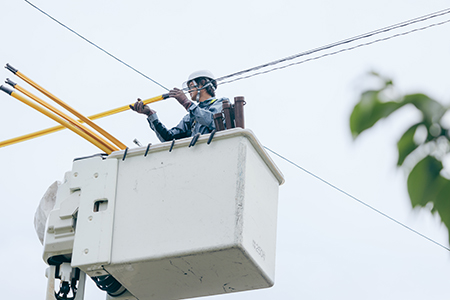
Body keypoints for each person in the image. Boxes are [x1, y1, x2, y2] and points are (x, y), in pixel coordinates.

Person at [130, 70, 228, 142]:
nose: (189, 91)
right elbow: (168, 138)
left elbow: (214, 122)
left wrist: (187, 103)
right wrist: (150, 114)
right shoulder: (190, 116)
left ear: (202, 83)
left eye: (191, 86)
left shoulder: (222, 103)